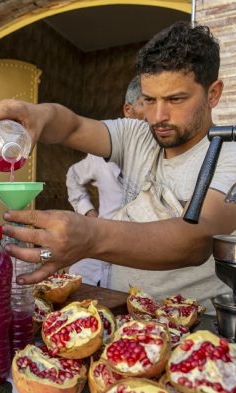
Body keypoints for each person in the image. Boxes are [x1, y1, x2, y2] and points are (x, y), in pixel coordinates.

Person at [0, 22, 236, 310]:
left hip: (192, 327)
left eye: (176, 99)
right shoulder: (139, 135)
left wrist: (91, 235)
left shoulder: (235, 157)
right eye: (149, 100)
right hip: (124, 312)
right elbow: (71, 127)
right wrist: (39, 113)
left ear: (213, 93)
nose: (158, 116)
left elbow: (195, 240)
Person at [65, 76, 143, 286]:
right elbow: (73, 176)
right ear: (128, 111)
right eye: (149, 103)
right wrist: (89, 213)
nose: (158, 116)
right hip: (97, 255)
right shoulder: (99, 156)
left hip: (141, 257)